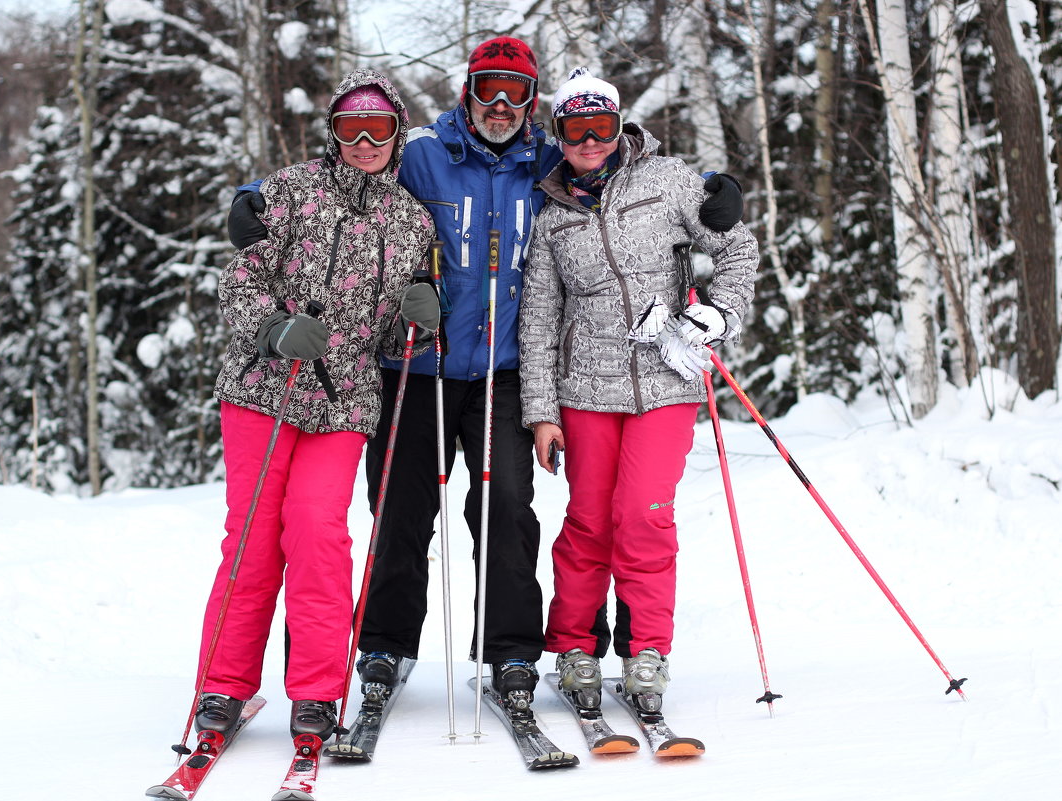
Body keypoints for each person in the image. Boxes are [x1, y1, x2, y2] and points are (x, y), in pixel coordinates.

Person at [227, 39, 746, 707]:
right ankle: (386, 643)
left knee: (505, 511)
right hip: (415, 362)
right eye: (487, 89)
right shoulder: (419, 154)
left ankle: (510, 652)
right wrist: (252, 198)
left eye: (516, 93)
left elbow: (624, 162)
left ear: (533, 103)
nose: (500, 105)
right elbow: (343, 177)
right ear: (466, 92)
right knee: (401, 513)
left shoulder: (552, 160)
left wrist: (715, 192)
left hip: (504, 369)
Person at [192, 67, 439, 740]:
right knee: (250, 541)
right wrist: (273, 327)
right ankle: (224, 685)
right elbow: (241, 277)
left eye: (378, 128)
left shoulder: (413, 222)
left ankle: (315, 689)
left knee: (318, 536)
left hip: (345, 398)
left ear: (396, 133)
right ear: (333, 133)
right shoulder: (290, 190)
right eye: (349, 128)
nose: (364, 142)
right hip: (263, 390)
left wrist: (417, 322)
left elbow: (397, 337)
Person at [518, 68, 760, 714]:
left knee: (644, 517)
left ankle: (647, 650)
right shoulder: (551, 216)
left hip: (665, 377)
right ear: (559, 134)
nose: (591, 141)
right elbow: (538, 317)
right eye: (576, 129)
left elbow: (736, 245)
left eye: (602, 127)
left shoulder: (667, 180)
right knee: (590, 522)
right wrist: (541, 412)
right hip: (585, 388)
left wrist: (720, 313)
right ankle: (574, 647)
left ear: (620, 126)